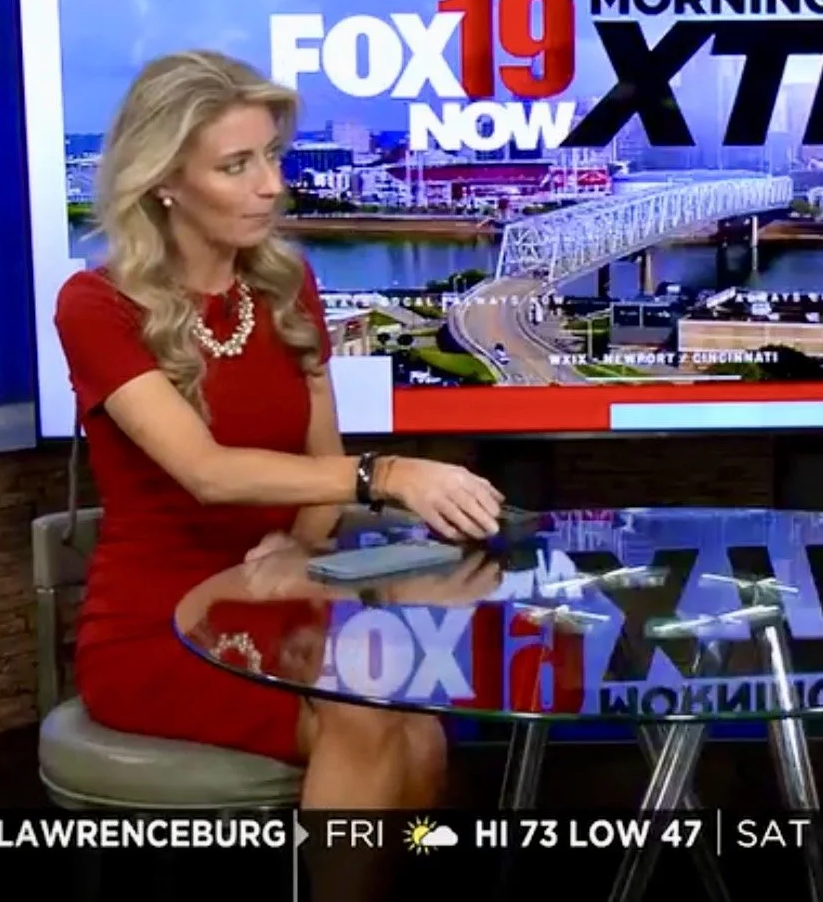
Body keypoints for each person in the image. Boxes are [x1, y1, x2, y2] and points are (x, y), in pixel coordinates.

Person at [53, 49, 507, 812]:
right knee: (366, 714)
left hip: (281, 592)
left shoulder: (287, 285)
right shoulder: (96, 306)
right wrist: (389, 474)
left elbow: (319, 463)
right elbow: (208, 472)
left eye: (271, 155)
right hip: (158, 623)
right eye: (236, 166)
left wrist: (299, 552)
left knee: (420, 720)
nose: (270, 184)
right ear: (165, 181)